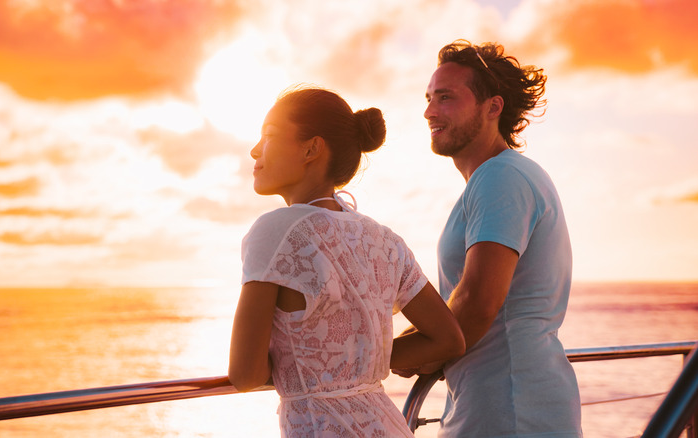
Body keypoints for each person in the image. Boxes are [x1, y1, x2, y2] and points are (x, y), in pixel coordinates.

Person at [228, 86, 466, 437]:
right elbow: (448, 339)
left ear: (311, 148)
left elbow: (245, 374)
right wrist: (360, 363)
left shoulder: (275, 230)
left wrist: (316, 369)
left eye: (269, 136)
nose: (254, 149)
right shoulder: (385, 240)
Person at [394, 40, 583, 437]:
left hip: (512, 413)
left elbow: (477, 304)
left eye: (445, 98)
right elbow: (461, 304)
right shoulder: (501, 177)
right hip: (506, 406)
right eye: (429, 99)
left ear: (492, 107)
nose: (429, 111)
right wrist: (412, 345)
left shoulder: (502, 177)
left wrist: (376, 358)